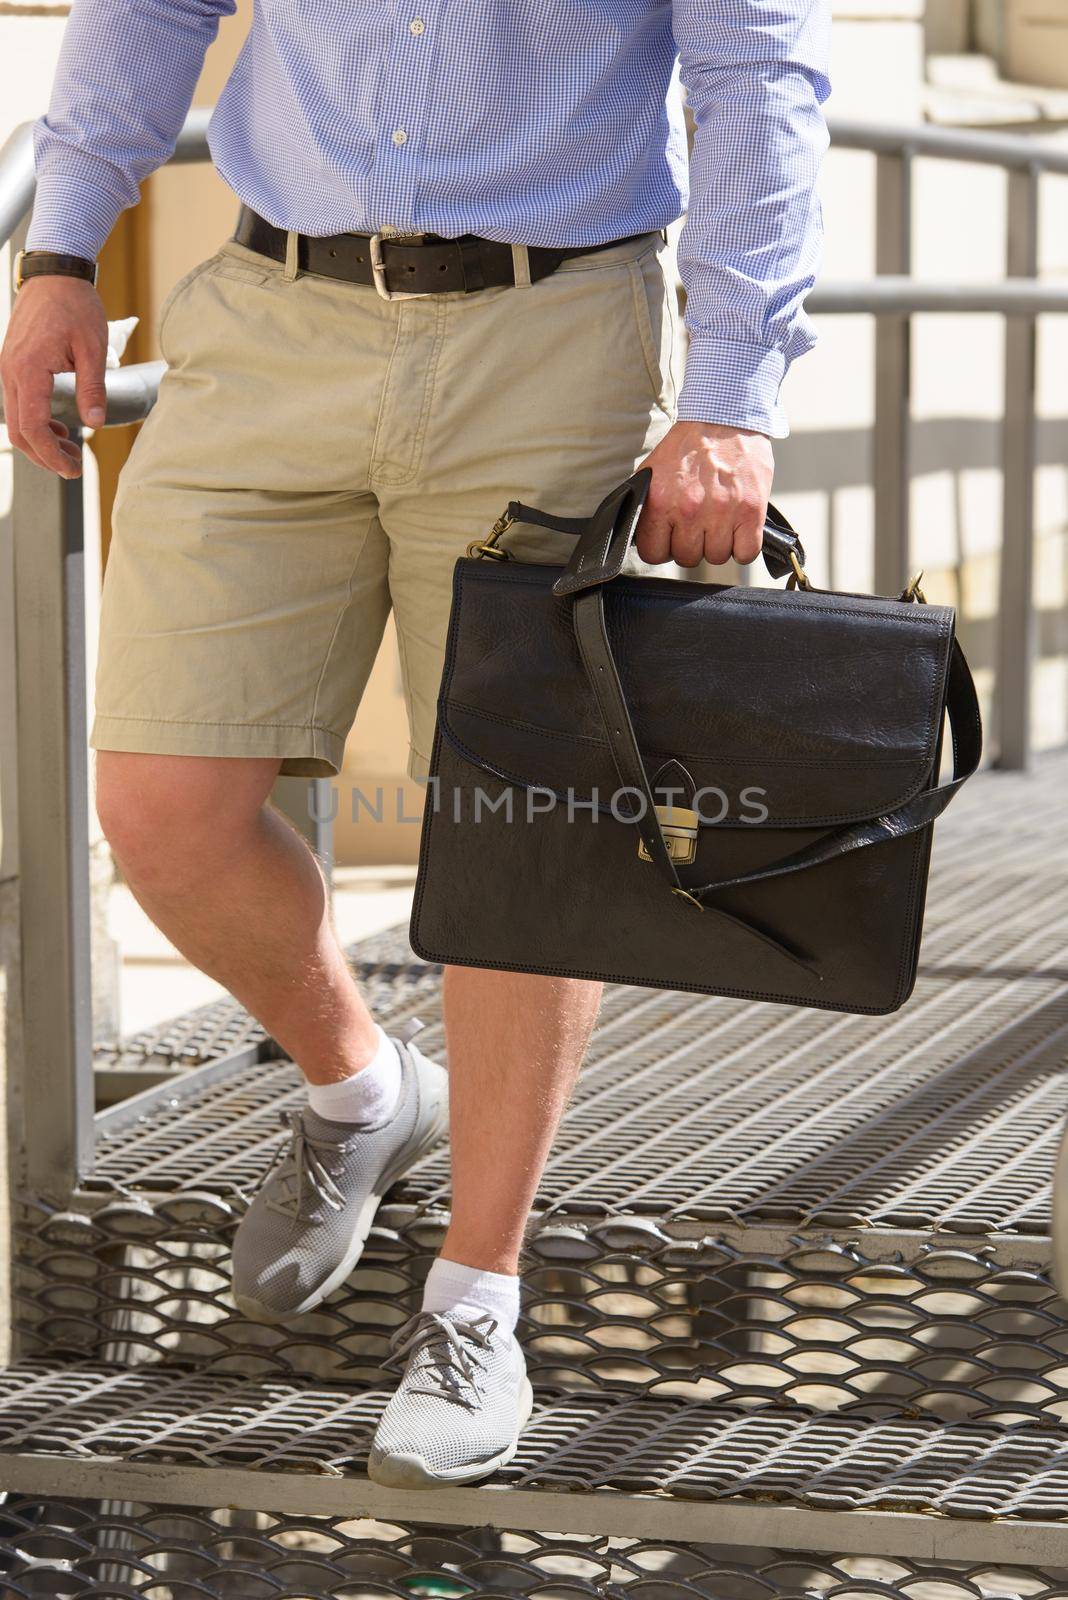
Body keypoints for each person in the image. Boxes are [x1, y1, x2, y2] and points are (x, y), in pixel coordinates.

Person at [1, 0, 830, 1488]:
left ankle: (476, 1300)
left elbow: (759, 70)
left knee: (517, 840)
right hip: (269, 319)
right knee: (162, 809)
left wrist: (730, 396)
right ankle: (365, 1089)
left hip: (554, 337)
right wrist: (62, 248)